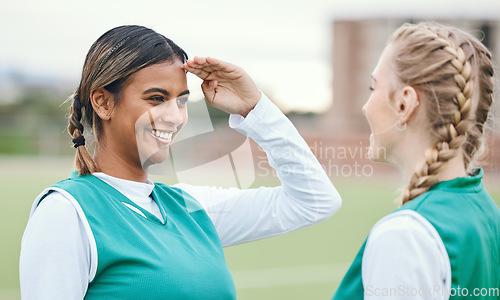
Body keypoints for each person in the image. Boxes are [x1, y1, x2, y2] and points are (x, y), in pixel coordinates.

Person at [19, 25, 341, 299]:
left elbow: (314, 201)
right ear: (103, 102)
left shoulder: (191, 207)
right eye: (156, 98)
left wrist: (254, 108)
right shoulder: (67, 212)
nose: (174, 117)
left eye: (182, 101)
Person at [333, 22, 500, 299]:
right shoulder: (488, 215)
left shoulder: (404, 235)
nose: (365, 106)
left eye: (372, 87)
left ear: (404, 103)